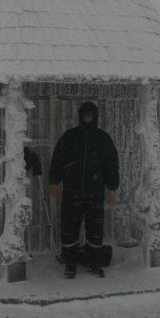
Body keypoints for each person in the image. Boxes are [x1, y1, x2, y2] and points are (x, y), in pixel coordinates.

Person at [49, 101, 119, 278]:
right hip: (72, 191)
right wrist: (54, 182)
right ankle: (70, 262)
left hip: (94, 192)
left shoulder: (103, 138)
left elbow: (112, 164)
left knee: (95, 228)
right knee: (69, 227)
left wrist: (112, 188)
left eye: (91, 114)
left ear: (95, 117)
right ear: (81, 116)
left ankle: (93, 261)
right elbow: (58, 160)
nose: (88, 117)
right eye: (85, 114)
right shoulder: (70, 136)